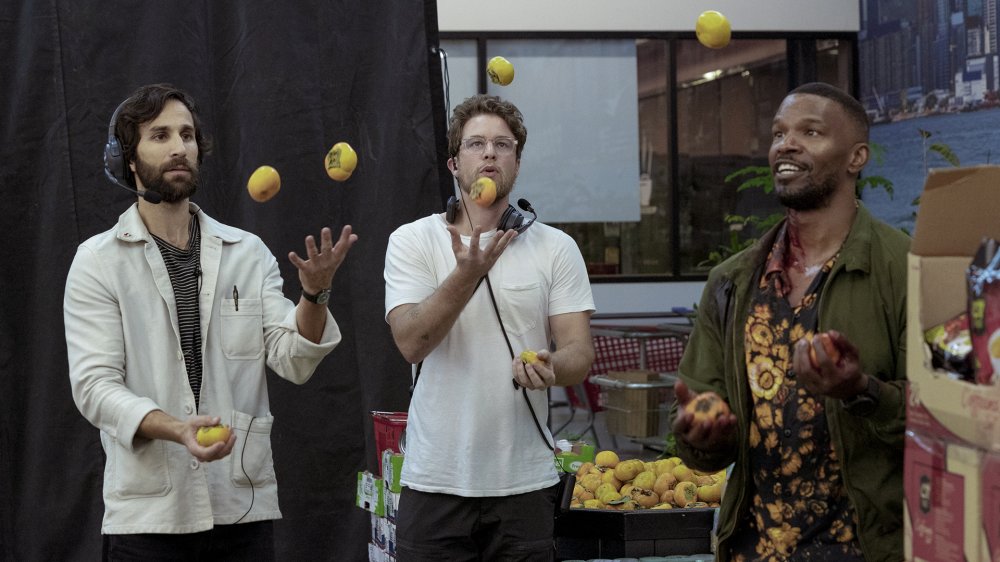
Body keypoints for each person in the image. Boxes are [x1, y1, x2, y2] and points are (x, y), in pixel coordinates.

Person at [64, 83, 357, 561]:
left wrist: (315, 293)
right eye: (159, 136)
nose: (179, 147)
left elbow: (293, 358)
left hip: (240, 507)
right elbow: (95, 387)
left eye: (187, 134)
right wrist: (178, 429)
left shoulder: (246, 251)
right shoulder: (97, 261)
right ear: (129, 161)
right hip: (148, 518)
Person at [669, 82, 909, 562]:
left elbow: (948, 421)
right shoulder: (731, 281)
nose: (787, 144)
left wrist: (860, 389)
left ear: (856, 157)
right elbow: (704, 440)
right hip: (751, 548)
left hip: (864, 549)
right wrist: (703, 435)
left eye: (811, 132)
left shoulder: (904, 267)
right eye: (779, 133)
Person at [383, 94, 596, 561]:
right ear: (454, 163)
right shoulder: (412, 241)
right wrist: (467, 271)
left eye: (503, 144)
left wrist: (551, 365)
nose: (490, 153)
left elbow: (579, 355)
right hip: (434, 480)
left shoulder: (555, 248)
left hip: (524, 484)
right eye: (476, 143)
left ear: (517, 161)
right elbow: (411, 342)